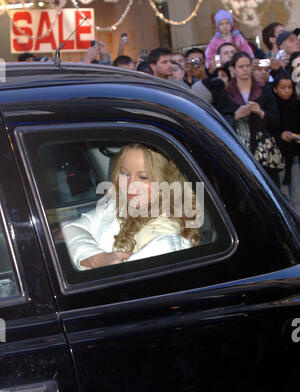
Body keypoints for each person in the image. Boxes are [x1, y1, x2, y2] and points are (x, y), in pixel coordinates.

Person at [62, 144, 201, 270]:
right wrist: (95, 258)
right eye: (124, 174)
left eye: (143, 177)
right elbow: (71, 228)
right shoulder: (118, 205)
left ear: (166, 181)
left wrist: (94, 261)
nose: (130, 185)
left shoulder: (166, 237)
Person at [226, 51, 283, 186]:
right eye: (241, 67)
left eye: (247, 65)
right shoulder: (226, 92)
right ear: (233, 69)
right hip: (238, 149)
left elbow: (276, 121)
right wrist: (236, 116)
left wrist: (261, 112)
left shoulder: (264, 90)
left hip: (263, 152)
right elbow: (219, 120)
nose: (245, 69)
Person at [272, 73, 300, 212]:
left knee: (297, 195)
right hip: (278, 156)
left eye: (289, 87)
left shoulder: (296, 104)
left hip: (295, 155)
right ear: (275, 89)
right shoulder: (272, 105)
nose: (287, 90)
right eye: (283, 87)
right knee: (283, 197)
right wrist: (280, 135)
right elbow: (270, 127)